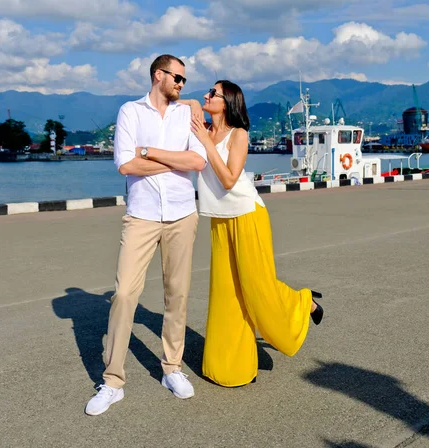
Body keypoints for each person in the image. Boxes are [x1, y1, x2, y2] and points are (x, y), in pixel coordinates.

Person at [85, 54, 207, 415]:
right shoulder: (130, 112)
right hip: (141, 215)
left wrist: (150, 152)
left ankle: (172, 368)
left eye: (185, 81)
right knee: (124, 294)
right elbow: (125, 163)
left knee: (178, 293)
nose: (183, 85)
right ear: (159, 75)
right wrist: (174, 159)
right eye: (178, 78)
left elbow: (197, 161)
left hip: (183, 213)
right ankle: (112, 381)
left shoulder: (189, 114)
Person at [189, 80, 323, 388]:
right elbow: (178, 103)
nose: (206, 95)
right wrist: (194, 109)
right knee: (226, 293)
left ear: (228, 102)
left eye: (213, 93)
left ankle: (303, 303)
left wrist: (206, 142)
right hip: (220, 220)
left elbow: (228, 180)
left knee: (256, 286)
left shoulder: (239, 135)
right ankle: (229, 367)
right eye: (208, 91)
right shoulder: (202, 126)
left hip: (248, 215)